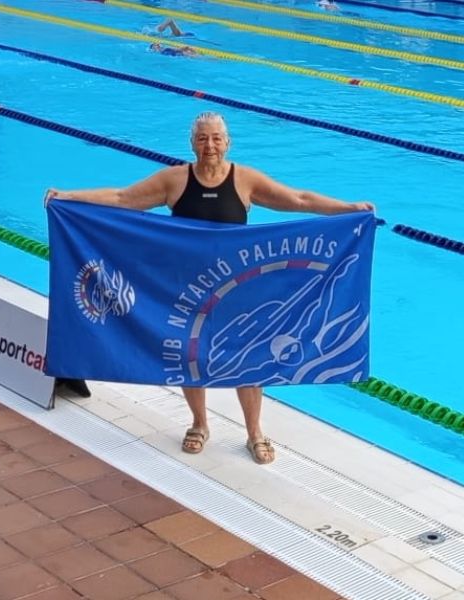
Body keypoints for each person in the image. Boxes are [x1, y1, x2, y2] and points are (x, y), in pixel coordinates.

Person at [44, 112, 375, 465]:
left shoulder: (244, 180)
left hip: (237, 288)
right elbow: (124, 198)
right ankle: (199, 424)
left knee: (248, 357)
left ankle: (254, 432)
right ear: (192, 143)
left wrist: (347, 209)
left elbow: (299, 200)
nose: (210, 145)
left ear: (228, 142)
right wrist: (69, 197)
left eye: (216, 138)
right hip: (186, 287)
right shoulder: (174, 180)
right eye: (203, 139)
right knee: (191, 354)